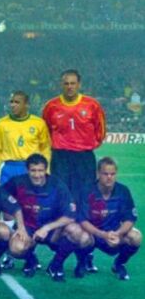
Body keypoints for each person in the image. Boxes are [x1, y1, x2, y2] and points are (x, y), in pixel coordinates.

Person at [3, 154, 93, 281]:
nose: (37, 175)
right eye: (33, 170)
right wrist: (19, 225)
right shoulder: (17, 182)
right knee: (16, 248)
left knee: (81, 235)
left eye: (40, 170)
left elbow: (70, 216)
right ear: (27, 170)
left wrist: (47, 228)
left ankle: (56, 264)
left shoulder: (58, 185)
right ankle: (31, 260)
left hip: (53, 230)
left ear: (46, 170)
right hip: (28, 228)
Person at [42, 69, 106, 201]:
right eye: (66, 83)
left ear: (79, 85)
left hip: (84, 156)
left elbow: (101, 130)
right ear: (61, 85)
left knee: (86, 193)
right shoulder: (51, 106)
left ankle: (83, 214)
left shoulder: (92, 105)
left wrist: (87, 145)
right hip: (60, 157)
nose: (69, 87)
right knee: (61, 193)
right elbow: (45, 130)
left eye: (73, 83)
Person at [78, 157, 140, 280]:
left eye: (112, 174)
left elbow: (130, 218)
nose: (109, 177)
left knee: (136, 237)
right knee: (81, 237)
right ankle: (83, 261)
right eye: (105, 174)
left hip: (114, 231)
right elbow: (82, 220)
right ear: (98, 173)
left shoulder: (123, 190)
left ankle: (119, 264)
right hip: (93, 233)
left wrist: (118, 233)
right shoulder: (87, 190)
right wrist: (102, 234)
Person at [0, 91, 51, 185]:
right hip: (9, 168)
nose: (13, 105)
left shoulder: (39, 123)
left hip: (31, 168)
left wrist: (46, 171)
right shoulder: (1, 124)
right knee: (6, 194)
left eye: (17, 102)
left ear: (26, 105)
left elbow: (45, 149)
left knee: (30, 194)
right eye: (11, 102)